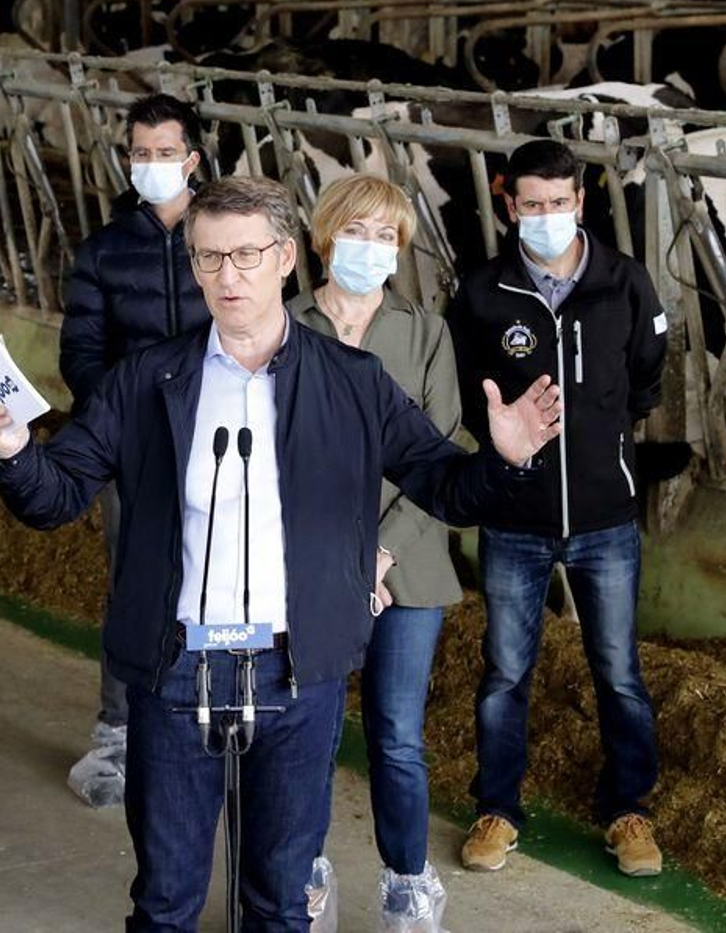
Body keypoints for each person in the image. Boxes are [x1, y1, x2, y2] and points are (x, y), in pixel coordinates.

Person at [0, 176, 564, 930]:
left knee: (280, 900)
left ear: (285, 258)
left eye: (246, 255)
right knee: (164, 899)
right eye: (209, 258)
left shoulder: (351, 381)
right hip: (174, 667)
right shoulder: (147, 379)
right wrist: (16, 450)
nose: (228, 277)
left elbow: (443, 486)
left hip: (295, 670)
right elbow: (53, 497)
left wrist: (502, 458)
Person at [448, 139, 668, 878]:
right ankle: (498, 810)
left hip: (606, 519)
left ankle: (629, 810)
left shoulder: (625, 284)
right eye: (531, 206)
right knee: (506, 671)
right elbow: (469, 394)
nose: (546, 217)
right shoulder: (482, 293)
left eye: (559, 204)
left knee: (619, 670)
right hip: (514, 515)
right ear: (510, 206)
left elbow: (645, 380)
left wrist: (602, 448)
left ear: (582, 202)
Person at [287, 174, 461, 929]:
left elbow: (446, 450)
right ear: (326, 237)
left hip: (407, 562)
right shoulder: (285, 324)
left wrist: (382, 553)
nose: (371, 249)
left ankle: (407, 884)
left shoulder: (425, 333)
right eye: (355, 232)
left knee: (395, 735)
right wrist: (343, 555)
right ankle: (305, 873)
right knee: (307, 731)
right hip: (309, 564)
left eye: (386, 236)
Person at [58, 92, 212, 807]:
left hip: (223, 440)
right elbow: (82, 352)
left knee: (225, 575)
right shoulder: (106, 249)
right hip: (140, 451)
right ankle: (118, 730)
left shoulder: (228, 235)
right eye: (140, 154)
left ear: (194, 159)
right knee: (134, 583)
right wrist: (124, 420)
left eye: (165, 153)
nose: (153, 166)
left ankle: (209, 715)